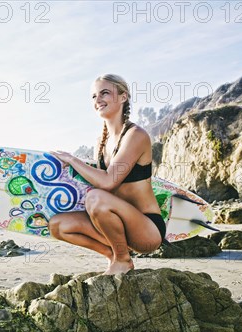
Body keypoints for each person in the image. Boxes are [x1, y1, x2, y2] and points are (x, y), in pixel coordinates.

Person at [49, 74, 165, 275]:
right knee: (58, 225)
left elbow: (108, 182)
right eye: (94, 96)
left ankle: (122, 260)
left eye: (104, 93)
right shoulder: (101, 142)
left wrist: (72, 159)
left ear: (123, 97)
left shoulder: (136, 135)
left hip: (146, 229)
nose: (98, 100)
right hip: (114, 228)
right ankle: (114, 255)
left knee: (97, 198)